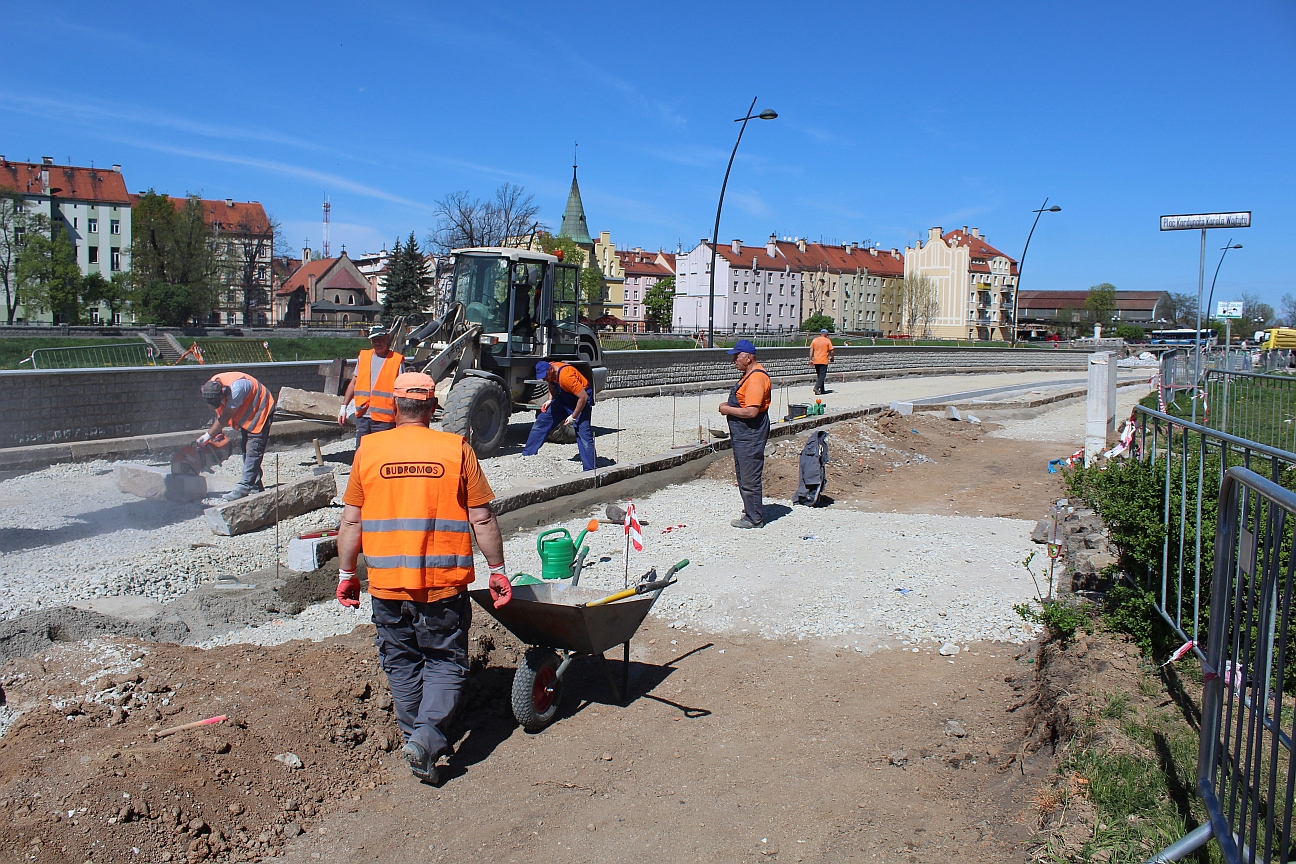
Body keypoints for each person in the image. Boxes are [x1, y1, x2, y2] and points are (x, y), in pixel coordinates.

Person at [335, 371, 512, 786]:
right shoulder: (456, 449)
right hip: (442, 585)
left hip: (386, 585)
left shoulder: (368, 450)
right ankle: (426, 739)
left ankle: (414, 737)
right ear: (433, 408)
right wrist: (497, 571)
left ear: (394, 407)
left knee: (401, 661)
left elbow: (351, 521)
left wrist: (347, 574)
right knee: (445, 661)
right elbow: (482, 517)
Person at [718, 339, 771, 528]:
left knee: (749, 474)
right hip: (744, 432)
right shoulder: (748, 375)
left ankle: (754, 518)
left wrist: (726, 409)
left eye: (736, 357)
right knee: (744, 471)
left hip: (750, 431)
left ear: (748, 358)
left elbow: (751, 412)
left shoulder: (755, 379)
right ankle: (751, 508)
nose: (734, 361)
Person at [199, 371, 275, 501]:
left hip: (261, 409)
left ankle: (243, 488)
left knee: (253, 450)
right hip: (248, 412)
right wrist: (217, 432)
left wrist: (207, 435)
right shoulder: (212, 385)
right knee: (246, 449)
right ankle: (256, 486)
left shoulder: (236, 389)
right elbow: (220, 411)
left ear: (224, 392)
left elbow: (225, 417)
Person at [521, 360, 597, 471]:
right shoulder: (551, 370)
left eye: (545, 376)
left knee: (583, 435)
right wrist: (549, 400)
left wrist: (573, 416)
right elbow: (551, 383)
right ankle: (527, 456)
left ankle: (591, 469)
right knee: (542, 422)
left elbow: (583, 397)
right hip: (565, 398)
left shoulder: (566, 377)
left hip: (580, 400)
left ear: (551, 370)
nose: (543, 379)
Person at [340, 325, 405, 441]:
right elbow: (354, 382)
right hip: (363, 416)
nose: (378, 343)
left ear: (387, 338)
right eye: (374, 340)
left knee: (381, 451)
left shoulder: (396, 361)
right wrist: (343, 407)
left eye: (380, 339)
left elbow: (402, 392)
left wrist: (402, 418)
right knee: (362, 450)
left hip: (385, 420)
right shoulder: (363, 357)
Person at [809, 328, 834, 395]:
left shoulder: (815, 340)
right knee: (822, 375)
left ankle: (822, 389)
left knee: (819, 375)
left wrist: (810, 359)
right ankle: (816, 388)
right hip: (823, 360)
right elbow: (832, 351)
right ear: (826, 334)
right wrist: (832, 358)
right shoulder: (827, 341)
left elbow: (811, 350)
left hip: (816, 360)